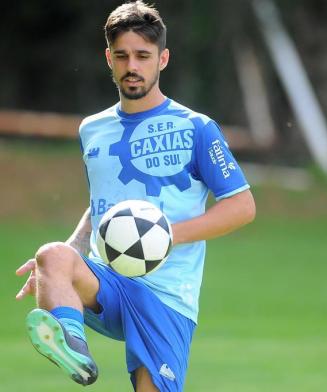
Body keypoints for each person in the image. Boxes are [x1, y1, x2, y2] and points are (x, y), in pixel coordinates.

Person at [15, 1, 256, 391]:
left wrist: (162, 236)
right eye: (123, 56)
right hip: (108, 278)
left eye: (143, 56)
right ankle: (72, 346)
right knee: (52, 254)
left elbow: (242, 207)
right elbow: (100, 204)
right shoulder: (92, 128)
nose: (132, 66)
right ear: (108, 58)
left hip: (166, 295)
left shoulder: (197, 127)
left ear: (163, 59)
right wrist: (59, 267)